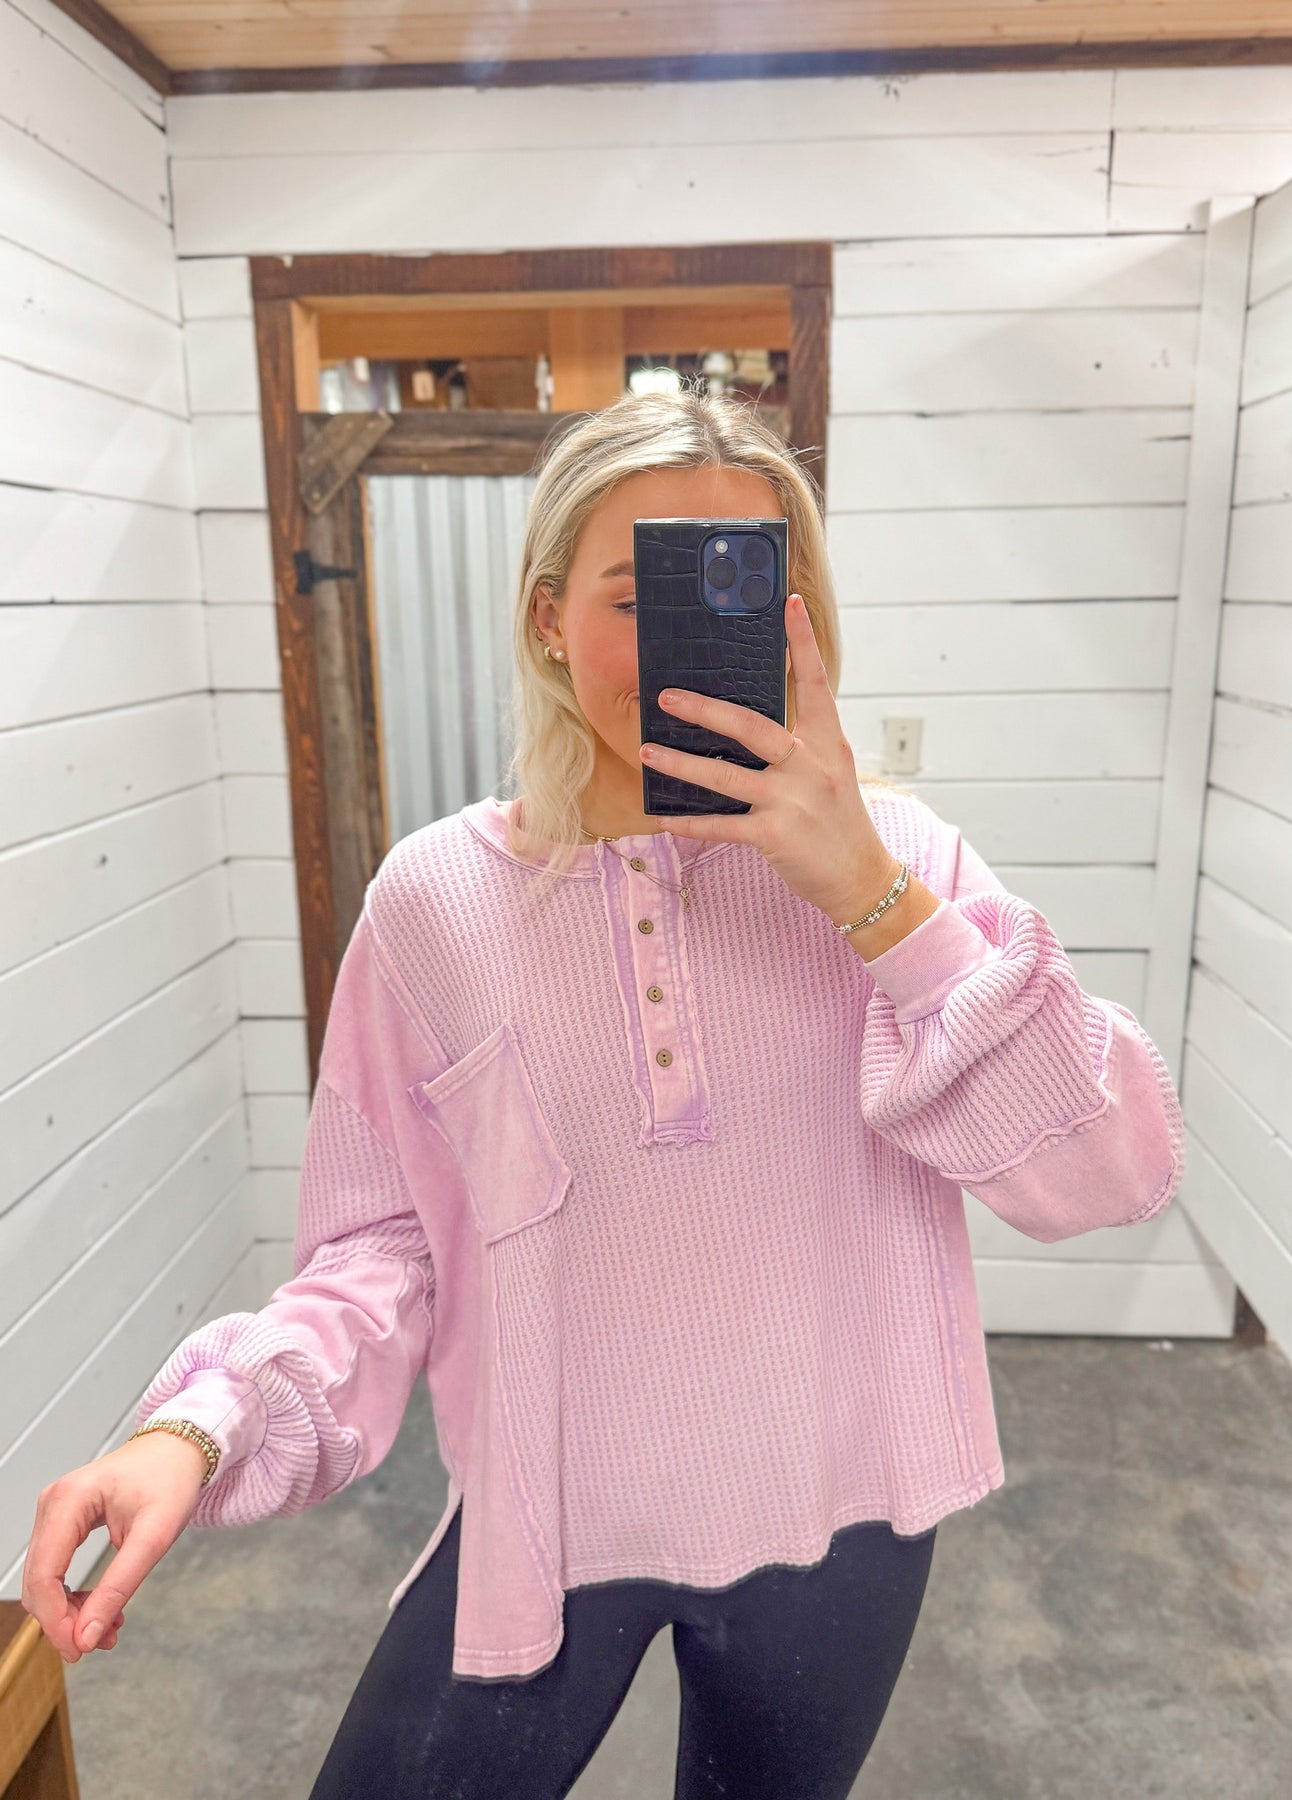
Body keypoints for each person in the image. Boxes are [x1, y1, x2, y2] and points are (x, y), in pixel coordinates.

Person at [22, 388, 1186, 1799]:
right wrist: (196, 1429)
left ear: (798, 618)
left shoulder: (905, 859)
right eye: (636, 597)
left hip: (847, 1504)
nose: (685, 639)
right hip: (551, 1505)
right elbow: (383, 1249)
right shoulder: (437, 902)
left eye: (737, 589)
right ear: (547, 620)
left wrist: (868, 899)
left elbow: (1113, 1171)